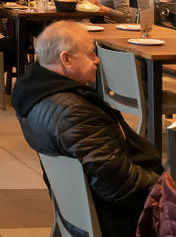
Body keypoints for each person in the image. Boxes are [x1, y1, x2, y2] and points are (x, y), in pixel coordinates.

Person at [11, 21, 162, 236]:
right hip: (122, 219)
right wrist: (163, 189)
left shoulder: (32, 95)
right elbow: (117, 183)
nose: (97, 60)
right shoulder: (73, 113)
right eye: (91, 54)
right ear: (66, 59)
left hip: (79, 211)